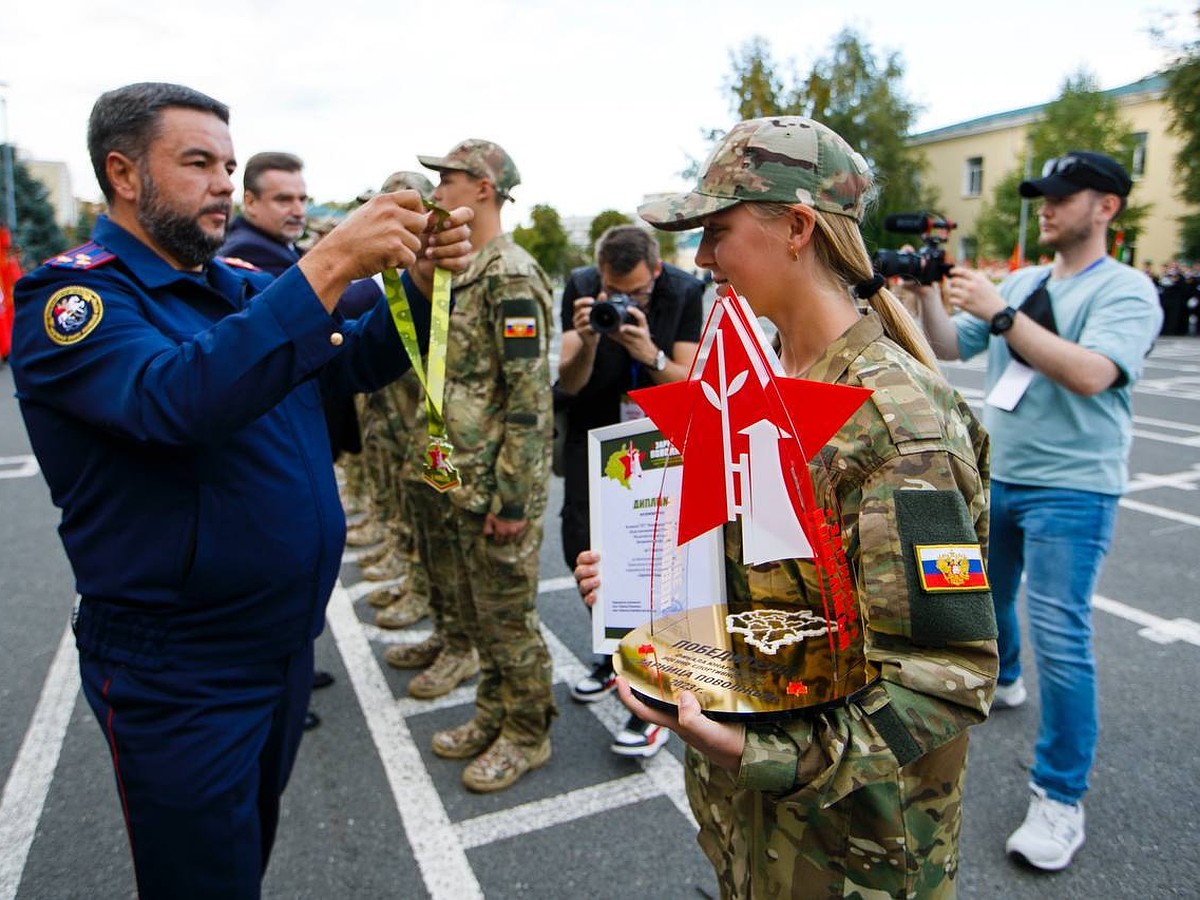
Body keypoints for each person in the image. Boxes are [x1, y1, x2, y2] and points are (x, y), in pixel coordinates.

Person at [8, 82, 473, 899]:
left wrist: (426, 285)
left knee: (242, 850)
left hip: (277, 645)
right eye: (198, 163)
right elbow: (176, 399)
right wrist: (328, 263)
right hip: (181, 669)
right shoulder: (73, 300)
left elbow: (353, 362)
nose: (225, 181)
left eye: (228, 163)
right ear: (122, 173)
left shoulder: (237, 288)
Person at [575, 116, 998, 898]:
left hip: (851, 849)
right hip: (758, 829)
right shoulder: (765, 376)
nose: (700, 258)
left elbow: (945, 678)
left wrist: (756, 754)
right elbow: (760, 583)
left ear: (797, 227)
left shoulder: (897, 423)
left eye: (717, 231)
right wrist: (642, 590)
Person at [916, 150, 1162, 872]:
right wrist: (931, 291)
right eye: (1042, 197)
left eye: (1063, 196)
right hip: (1002, 475)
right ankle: (1008, 679)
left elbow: (1090, 374)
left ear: (1106, 208)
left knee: (1062, 633)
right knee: (983, 604)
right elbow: (941, 344)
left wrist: (1000, 313)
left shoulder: (1127, 291)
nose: (1047, 207)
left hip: (1074, 488)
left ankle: (1060, 799)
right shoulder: (1023, 280)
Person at [388, 139, 556, 793]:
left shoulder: (511, 276)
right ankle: (494, 713)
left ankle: (528, 732)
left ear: (483, 188)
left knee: (510, 621)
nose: (437, 192)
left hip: (497, 489)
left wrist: (514, 502)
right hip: (462, 481)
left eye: (448, 180)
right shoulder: (462, 271)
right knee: (481, 614)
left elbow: (529, 402)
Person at [557, 224, 702, 756]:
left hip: (659, 439)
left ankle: (657, 696)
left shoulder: (683, 290)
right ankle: (612, 650)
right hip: (594, 433)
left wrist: (651, 353)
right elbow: (568, 382)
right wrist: (590, 338)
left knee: (657, 559)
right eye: (611, 291)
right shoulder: (579, 284)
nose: (621, 302)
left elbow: (688, 386)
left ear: (656, 272)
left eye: (635, 294)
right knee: (583, 546)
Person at [216, 151, 344, 729]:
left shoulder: (284, 251)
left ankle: (293, 667)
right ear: (251, 204)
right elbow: (320, 309)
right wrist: (353, 268)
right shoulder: (248, 255)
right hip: (266, 443)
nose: (296, 209)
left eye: (300, 197)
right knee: (275, 570)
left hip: (296, 433)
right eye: (282, 199)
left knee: (296, 574)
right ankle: (278, 690)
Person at [218, 151, 308, 275]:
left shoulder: (275, 245)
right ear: (250, 202)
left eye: (302, 200)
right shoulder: (249, 251)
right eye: (284, 200)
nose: (299, 212)